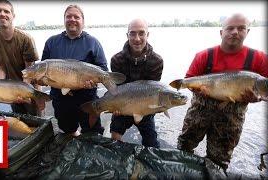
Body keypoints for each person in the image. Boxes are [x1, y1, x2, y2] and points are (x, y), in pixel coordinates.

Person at [177, 13, 268, 171]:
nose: (235, 32)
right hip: (199, 112)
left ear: (248, 32)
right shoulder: (204, 55)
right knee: (184, 147)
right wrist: (199, 90)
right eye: (230, 28)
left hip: (231, 120)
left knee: (219, 162)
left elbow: (265, 90)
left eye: (241, 28)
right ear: (221, 32)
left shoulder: (259, 58)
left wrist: (257, 99)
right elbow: (188, 81)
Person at [41, 5, 107, 136]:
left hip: (87, 97)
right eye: (68, 16)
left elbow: (103, 70)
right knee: (68, 129)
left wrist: (93, 82)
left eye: (76, 17)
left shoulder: (93, 43)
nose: (72, 19)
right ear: (64, 20)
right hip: (61, 99)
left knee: (92, 132)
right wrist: (42, 81)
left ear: (83, 21)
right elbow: (43, 70)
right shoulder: (51, 42)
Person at [0, 0, 44, 116]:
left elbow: (29, 73)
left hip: (30, 86)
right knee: (19, 117)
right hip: (10, 86)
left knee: (37, 121)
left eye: (6, 11)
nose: (2, 13)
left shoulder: (26, 39)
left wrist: (21, 92)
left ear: (13, 15)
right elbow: (0, 68)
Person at [110, 19, 164, 148]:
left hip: (145, 108)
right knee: (115, 137)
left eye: (141, 33)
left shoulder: (157, 61)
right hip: (123, 106)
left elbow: (154, 90)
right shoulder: (116, 60)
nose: (137, 38)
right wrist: (115, 106)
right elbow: (117, 90)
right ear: (127, 35)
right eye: (132, 33)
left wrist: (157, 107)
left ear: (147, 35)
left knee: (152, 144)